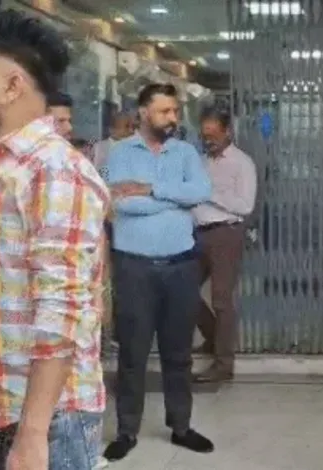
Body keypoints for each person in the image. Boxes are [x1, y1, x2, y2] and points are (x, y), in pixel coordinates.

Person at [0, 5, 109, 469]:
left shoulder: (54, 169)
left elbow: (61, 310)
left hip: (42, 420)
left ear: (12, 86)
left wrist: (32, 436)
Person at [102, 82, 214, 461]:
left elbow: (200, 191)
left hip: (181, 266)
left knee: (178, 353)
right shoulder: (119, 153)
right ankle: (126, 431)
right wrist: (172, 199)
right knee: (132, 354)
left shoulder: (185, 151)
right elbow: (122, 204)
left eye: (175, 111)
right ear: (144, 112)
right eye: (165, 111)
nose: (173, 118)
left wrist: (150, 189)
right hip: (134, 268)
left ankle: (181, 426)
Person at [192, 105, 257, 383]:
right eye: (205, 135)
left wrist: (211, 193)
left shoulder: (242, 163)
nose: (208, 141)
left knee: (221, 299)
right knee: (183, 291)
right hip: (197, 234)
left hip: (226, 234)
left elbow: (245, 205)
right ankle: (213, 337)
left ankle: (223, 363)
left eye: (213, 135)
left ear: (227, 131)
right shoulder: (201, 161)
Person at [93, 111, 135, 175]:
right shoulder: (99, 148)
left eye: (133, 127)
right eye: (127, 126)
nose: (131, 131)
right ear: (112, 129)